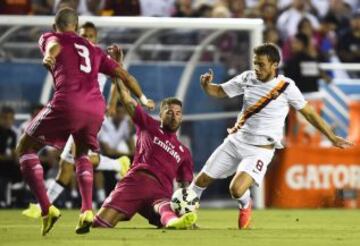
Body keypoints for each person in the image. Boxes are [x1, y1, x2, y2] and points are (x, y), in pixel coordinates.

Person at [16, 7, 154, 236]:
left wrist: (49, 56)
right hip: (94, 110)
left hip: (68, 103)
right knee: (81, 155)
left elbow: (53, 46)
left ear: (55, 26)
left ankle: (45, 208)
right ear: (77, 27)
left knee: (25, 147)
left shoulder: (51, 37)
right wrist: (144, 98)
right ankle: (87, 210)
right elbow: (124, 75)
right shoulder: (95, 50)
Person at [188, 43, 352, 229]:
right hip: (235, 141)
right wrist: (206, 85)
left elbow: (309, 114)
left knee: (236, 189)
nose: (257, 68)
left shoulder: (286, 87)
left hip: (259, 150)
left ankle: (246, 204)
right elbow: (219, 91)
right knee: (200, 181)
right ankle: (187, 218)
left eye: (262, 64)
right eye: (255, 63)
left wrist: (331, 136)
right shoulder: (247, 78)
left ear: (275, 64)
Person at [21, 22, 132, 220]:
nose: (87, 37)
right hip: (77, 111)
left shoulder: (95, 56)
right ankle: (44, 205)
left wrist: (113, 104)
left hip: (90, 114)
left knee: (75, 159)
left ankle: (117, 165)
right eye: (84, 34)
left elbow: (118, 78)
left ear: (96, 38)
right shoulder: (76, 54)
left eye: (91, 35)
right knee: (67, 164)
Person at [92, 81, 197, 232]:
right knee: (99, 225)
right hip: (136, 182)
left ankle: (174, 221)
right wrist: (119, 73)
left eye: (178, 113)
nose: (174, 116)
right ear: (160, 115)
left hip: (161, 191)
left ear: (181, 118)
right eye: (169, 112)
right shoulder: (148, 124)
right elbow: (127, 99)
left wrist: (188, 210)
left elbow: (184, 187)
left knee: (164, 207)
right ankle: (169, 219)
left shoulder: (184, 152)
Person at [0, 106, 21, 207]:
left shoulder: (13, 134)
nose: (7, 121)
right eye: (4, 118)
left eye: (10, 118)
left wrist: (16, 157)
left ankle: (15, 196)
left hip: (8, 167)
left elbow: (14, 153)